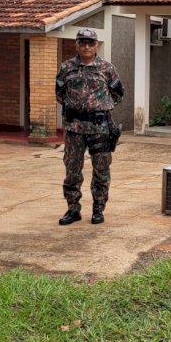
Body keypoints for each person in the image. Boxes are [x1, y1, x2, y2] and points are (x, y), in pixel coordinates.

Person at [55, 28, 124, 225]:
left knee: (101, 170)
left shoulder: (107, 69)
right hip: (74, 128)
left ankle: (98, 209)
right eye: (82, 43)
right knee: (72, 171)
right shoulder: (66, 68)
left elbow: (118, 94)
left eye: (90, 43)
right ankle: (73, 209)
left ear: (96, 46)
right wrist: (78, 109)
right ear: (76, 45)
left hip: (99, 128)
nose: (86, 47)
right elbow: (59, 94)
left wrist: (99, 108)